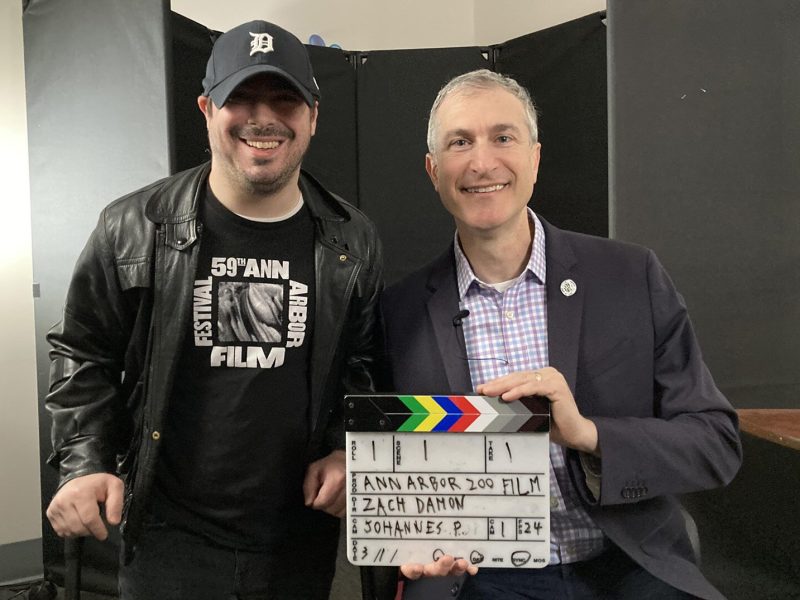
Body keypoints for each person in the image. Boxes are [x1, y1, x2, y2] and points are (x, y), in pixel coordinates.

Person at [44, 20, 384, 599]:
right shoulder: (132, 227)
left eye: (284, 99)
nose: (263, 117)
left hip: (296, 539)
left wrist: (344, 449)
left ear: (313, 116)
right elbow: (82, 352)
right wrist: (84, 462)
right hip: (166, 538)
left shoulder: (353, 240)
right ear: (206, 108)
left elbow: (364, 363)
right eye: (241, 97)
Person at [372, 69, 742, 600]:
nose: (482, 162)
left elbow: (716, 442)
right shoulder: (399, 311)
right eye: (460, 143)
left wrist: (586, 434)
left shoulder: (629, 277)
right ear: (434, 170)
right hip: (480, 577)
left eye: (503, 137)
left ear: (535, 156)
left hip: (626, 564)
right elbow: (390, 466)